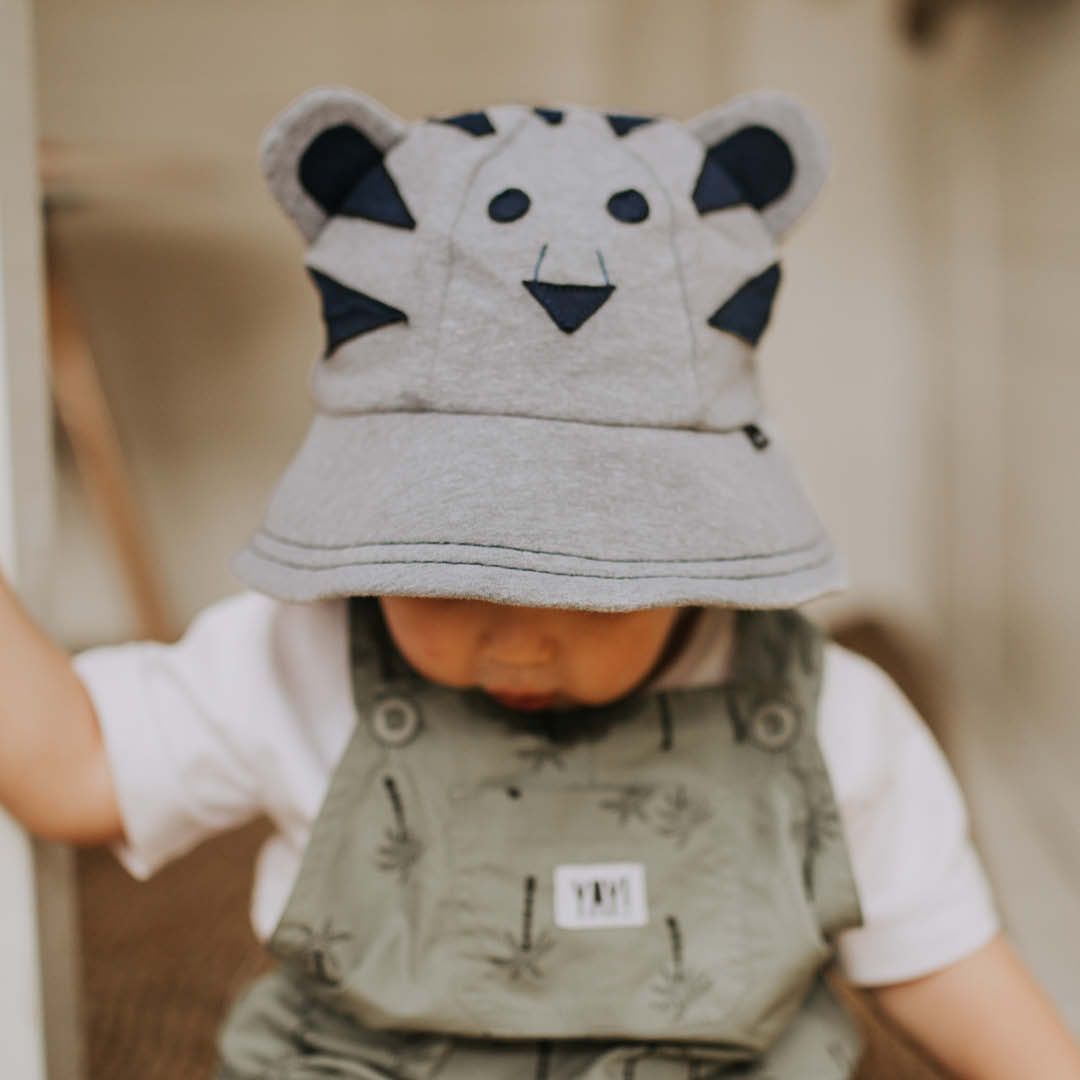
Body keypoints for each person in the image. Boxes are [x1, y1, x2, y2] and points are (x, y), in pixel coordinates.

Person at [2, 87, 1079, 1078]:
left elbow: (940, 965)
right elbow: (80, 769)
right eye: (435, 572)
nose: (514, 643)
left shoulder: (831, 724)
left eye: (589, 586)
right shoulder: (297, 659)